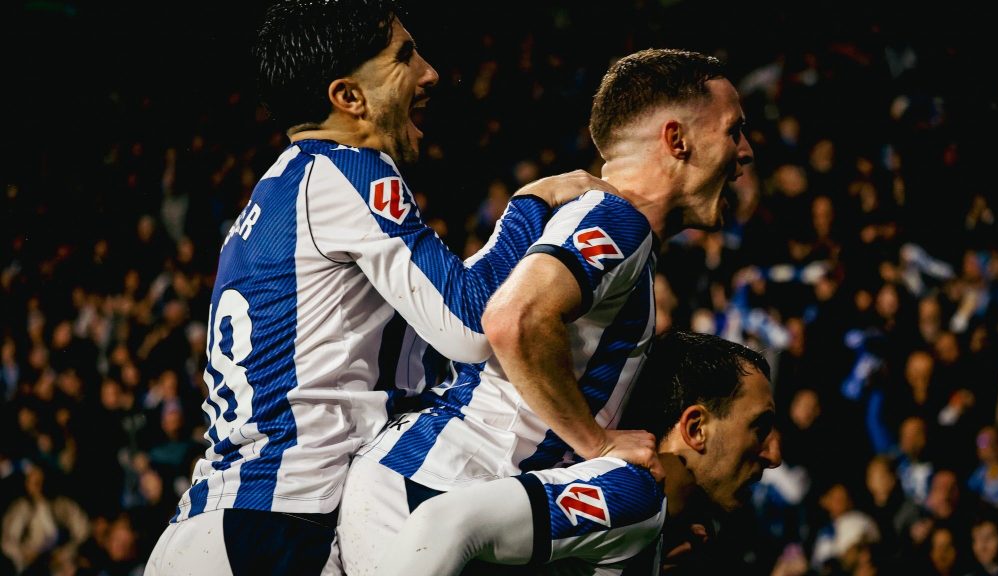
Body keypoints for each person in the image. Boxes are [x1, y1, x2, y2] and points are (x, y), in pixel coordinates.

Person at [144, 1, 607, 574]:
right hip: (280, 528)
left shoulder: (275, 192)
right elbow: (468, 324)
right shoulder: (349, 169)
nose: (430, 72)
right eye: (405, 56)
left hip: (212, 523)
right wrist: (529, 206)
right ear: (349, 98)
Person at [340, 48, 755, 574]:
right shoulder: (616, 219)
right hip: (437, 493)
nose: (745, 152)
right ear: (677, 140)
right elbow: (513, 320)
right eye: (734, 130)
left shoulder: (608, 229)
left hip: (430, 489)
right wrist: (598, 443)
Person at [374, 330, 780, 575]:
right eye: (759, 427)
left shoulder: (667, 530)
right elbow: (445, 524)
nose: (774, 453)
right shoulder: (632, 493)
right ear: (696, 428)